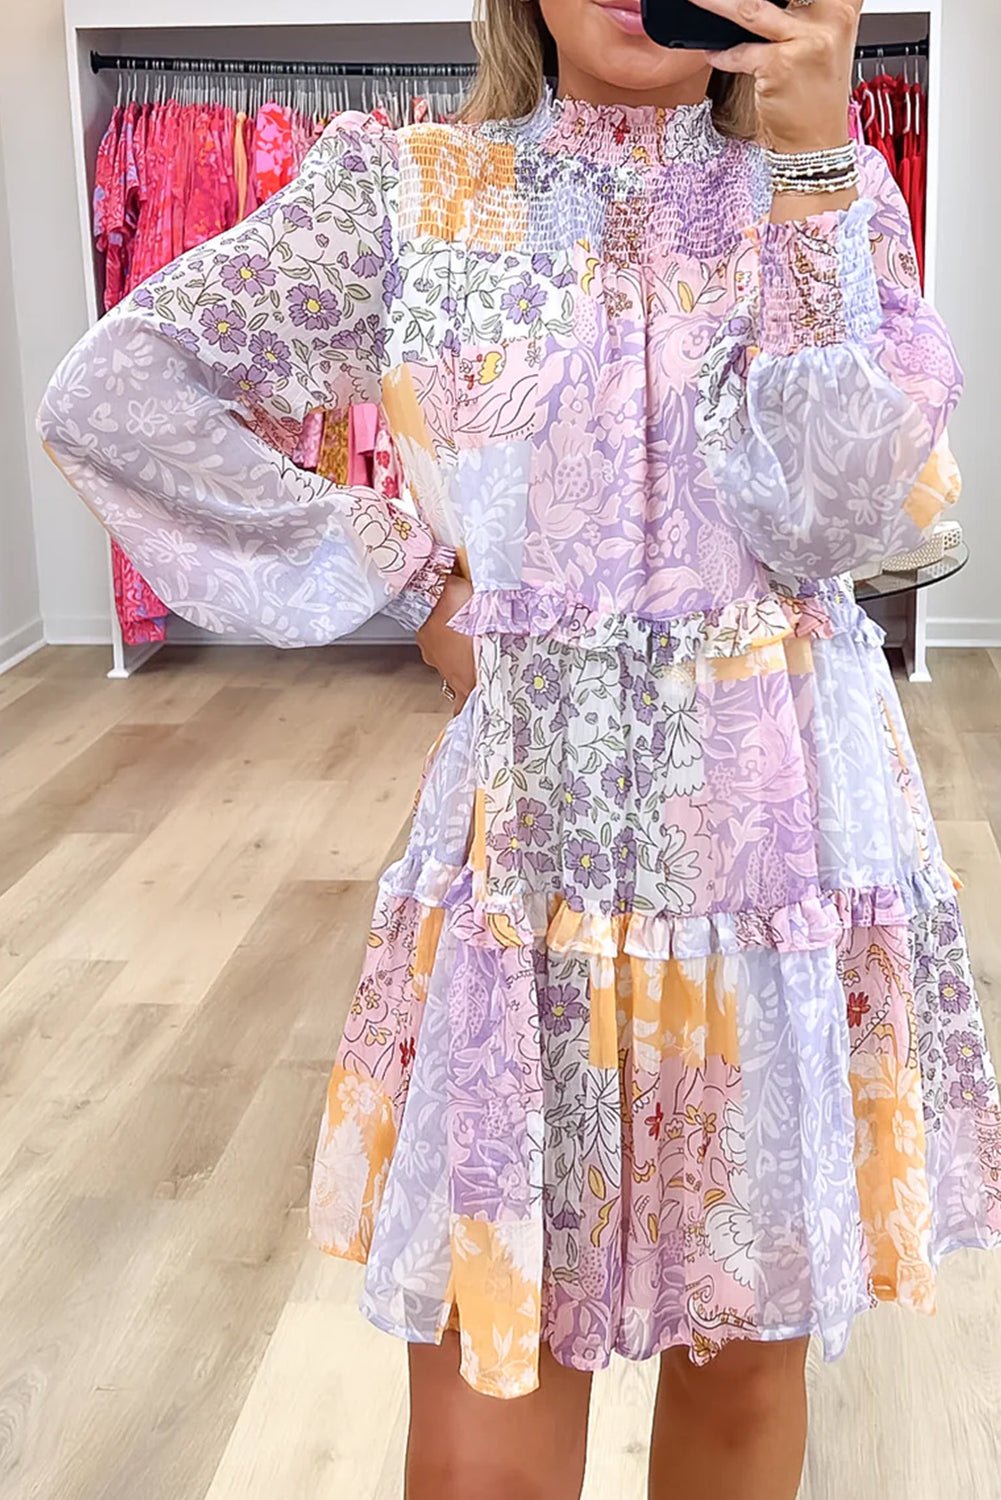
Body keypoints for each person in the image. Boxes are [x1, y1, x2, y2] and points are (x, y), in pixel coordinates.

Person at [38, 0, 1001, 1496]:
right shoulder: (412, 194)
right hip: (527, 867)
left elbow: (832, 520)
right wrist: (406, 579)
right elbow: (118, 392)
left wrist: (813, 178)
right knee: (490, 1388)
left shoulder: (832, 192)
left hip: (777, 861)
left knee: (744, 1377)